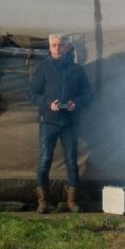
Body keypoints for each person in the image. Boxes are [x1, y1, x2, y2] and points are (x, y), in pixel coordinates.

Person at [31, 33, 92, 212]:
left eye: (61, 45)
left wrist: (76, 103)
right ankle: (43, 201)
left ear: (67, 48)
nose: (57, 48)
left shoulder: (77, 70)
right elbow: (31, 94)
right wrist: (48, 104)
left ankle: (72, 201)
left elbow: (89, 95)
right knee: (44, 160)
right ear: (50, 48)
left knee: (72, 161)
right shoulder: (42, 69)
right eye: (54, 45)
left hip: (70, 123)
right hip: (48, 121)